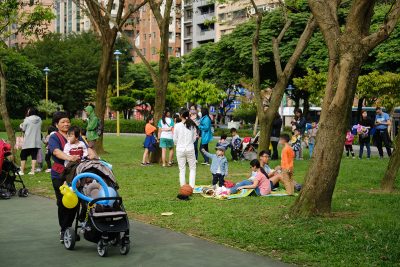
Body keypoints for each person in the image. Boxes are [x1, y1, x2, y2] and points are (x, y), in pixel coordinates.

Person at [48, 112, 82, 243]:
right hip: (60, 174)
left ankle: (70, 229)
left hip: (76, 174)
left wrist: (95, 157)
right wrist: (69, 157)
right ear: (56, 124)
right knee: (64, 202)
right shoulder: (54, 137)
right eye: (63, 122)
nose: (66, 124)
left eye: (68, 121)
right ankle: (64, 230)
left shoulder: (75, 134)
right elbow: (56, 151)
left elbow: (86, 147)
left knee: (75, 202)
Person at [173, 109, 197, 188]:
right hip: (190, 148)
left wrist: (179, 144)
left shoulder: (177, 125)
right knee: (192, 168)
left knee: (182, 169)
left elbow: (175, 139)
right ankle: (191, 187)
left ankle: (183, 187)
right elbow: (194, 139)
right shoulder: (192, 125)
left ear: (180, 115)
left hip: (180, 149)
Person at [18, 107, 42, 176]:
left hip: (28, 141)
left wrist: (21, 125)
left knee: (23, 155)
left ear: (30, 112)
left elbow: (23, 129)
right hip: (36, 141)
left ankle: (22, 171)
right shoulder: (40, 119)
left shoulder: (27, 119)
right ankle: (32, 171)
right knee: (34, 156)